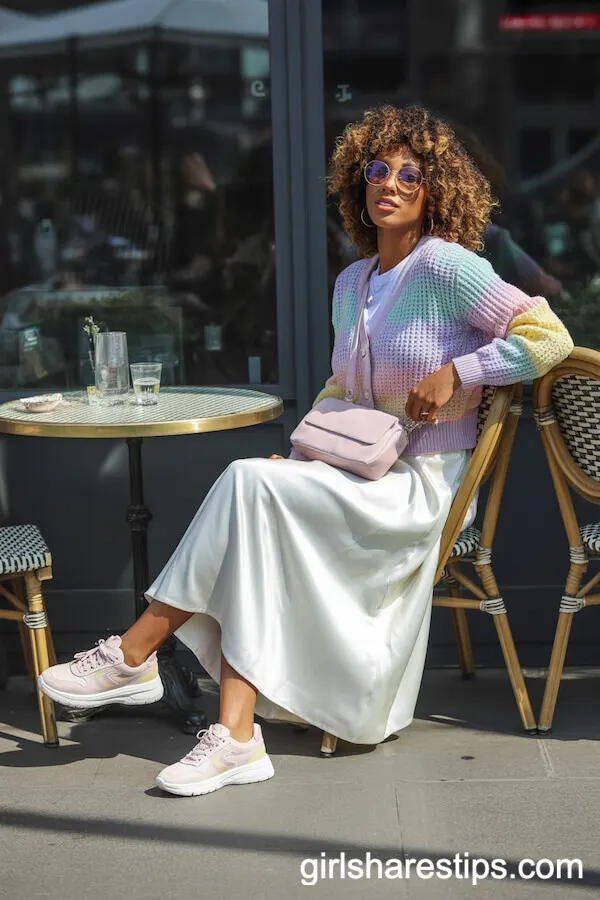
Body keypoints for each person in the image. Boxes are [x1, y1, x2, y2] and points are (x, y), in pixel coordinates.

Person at [38, 105, 573, 799]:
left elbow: (549, 336)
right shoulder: (352, 283)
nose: (392, 184)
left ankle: (135, 653)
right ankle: (234, 735)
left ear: (435, 190)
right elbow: (337, 388)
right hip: (354, 472)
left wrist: (458, 373)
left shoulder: (449, 267)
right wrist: (303, 455)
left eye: (411, 175)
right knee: (255, 491)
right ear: (358, 182)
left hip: (419, 486)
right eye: (378, 170)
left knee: (244, 486)